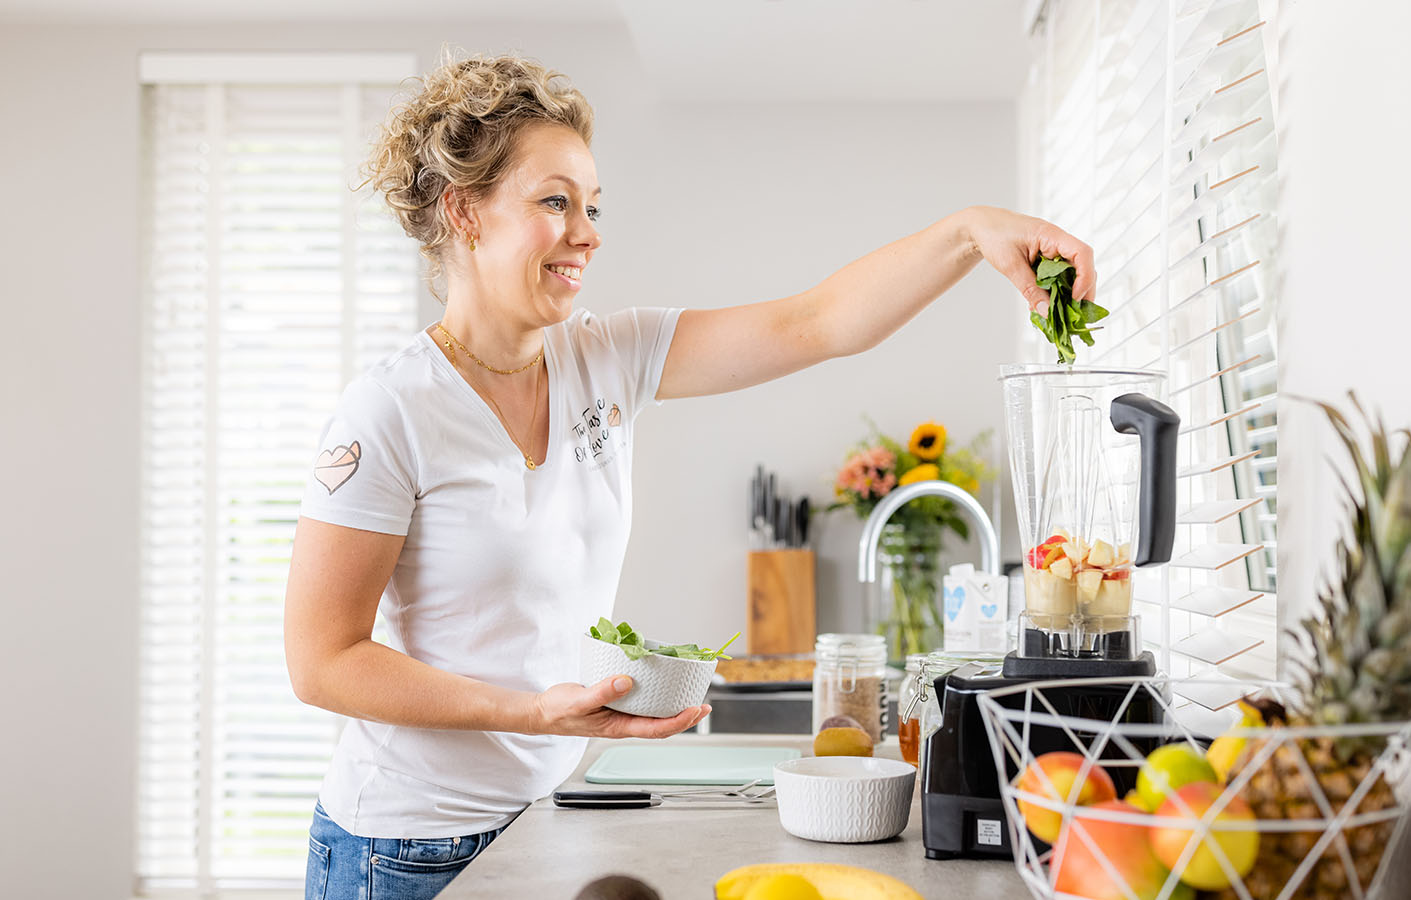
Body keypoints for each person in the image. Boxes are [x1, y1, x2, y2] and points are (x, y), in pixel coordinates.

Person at [283, 52, 1096, 900]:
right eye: (555, 201)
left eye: (592, 206)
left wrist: (969, 231)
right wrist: (531, 711)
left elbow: (815, 322)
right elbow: (323, 661)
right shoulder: (391, 411)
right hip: (403, 847)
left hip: (542, 814)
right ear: (465, 212)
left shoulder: (606, 358)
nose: (588, 232)